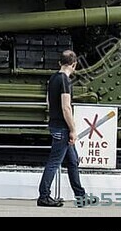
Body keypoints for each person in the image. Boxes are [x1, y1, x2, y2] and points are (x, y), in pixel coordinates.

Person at [37, 50, 88, 207]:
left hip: (55, 124)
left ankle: (81, 196)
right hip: (63, 128)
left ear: (60, 63)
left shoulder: (53, 79)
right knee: (54, 162)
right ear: (74, 64)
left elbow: (48, 102)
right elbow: (66, 107)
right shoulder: (65, 81)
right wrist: (73, 129)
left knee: (73, 161)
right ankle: (44, 196)